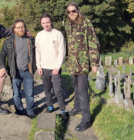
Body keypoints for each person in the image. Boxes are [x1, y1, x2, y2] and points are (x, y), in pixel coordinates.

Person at [65, 1, 100, 132]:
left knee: (83, 91)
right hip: (72, 64)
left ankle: (86, 119)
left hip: (83, 64)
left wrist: (95, 63)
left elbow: (93, 43)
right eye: (69, 12)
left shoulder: (86, 24)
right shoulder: (68, 25)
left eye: (73, 11)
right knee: (75, 88)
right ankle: (77, 107)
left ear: (77, 11)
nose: (71, 13)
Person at [0, 19, 37, 118]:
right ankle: (19, 111)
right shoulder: (8, 42)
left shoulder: (30, 40)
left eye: (23, 27)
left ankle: (30, 111)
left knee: (30, 94)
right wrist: (2, 67)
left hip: (28, 70)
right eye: (18, 27)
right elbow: (2, 56)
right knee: (16, 94)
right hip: (15, 71)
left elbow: (37, 53)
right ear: (13, 29)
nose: (21, 29)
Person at [35, 13, 67, 119]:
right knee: (47, 89)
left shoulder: (57, 34)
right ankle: (50, 106)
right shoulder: (39, 35)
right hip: (44, 67)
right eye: (43, 23)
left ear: (51, 22)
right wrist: (38, 66)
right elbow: (38, 52)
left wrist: (57, 67)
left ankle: (62, 110)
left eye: (47, 22)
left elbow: (61, 51)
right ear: (41, 23)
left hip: (55, 68)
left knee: (57, 90)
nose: (46, 25)